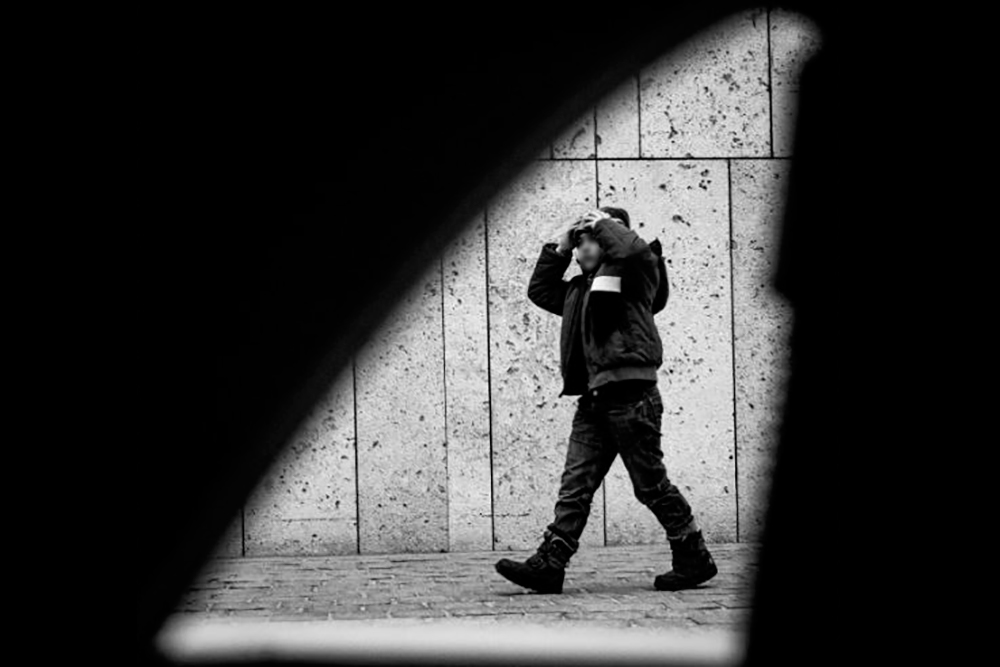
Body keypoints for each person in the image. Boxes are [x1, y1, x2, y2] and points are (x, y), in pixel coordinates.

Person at [494, 206, 717, 593]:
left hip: (632, 397)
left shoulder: (636, 275)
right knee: (575, 486)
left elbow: (633, 251)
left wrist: (601, 222)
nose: (582, 249)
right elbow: (540, 290)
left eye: (589, 241)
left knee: (650, 486)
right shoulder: (579, 290)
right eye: (578, 244)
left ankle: (693, 555)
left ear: (611, 236)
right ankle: (550, 564)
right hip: (595, 401)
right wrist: (561, 244)